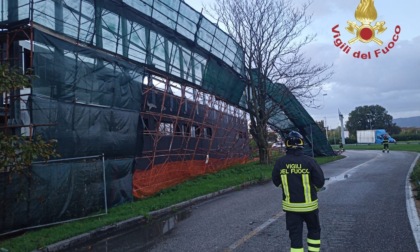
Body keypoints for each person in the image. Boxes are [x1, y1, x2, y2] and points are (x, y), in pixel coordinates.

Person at [272, 131, 325, 252]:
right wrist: (312, 190)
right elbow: (320, 182)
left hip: (291, 208)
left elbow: (276, 181)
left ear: (287, 144)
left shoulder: (281, 162)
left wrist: (287, 187)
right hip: (310, 207)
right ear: (301, 143)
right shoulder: (310, 161)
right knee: (314, 230)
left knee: (295, 236)